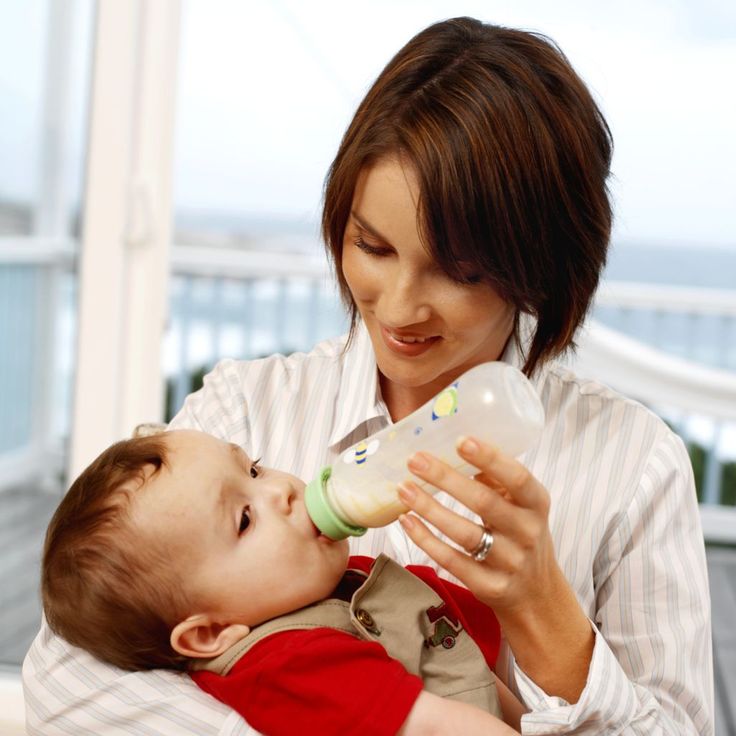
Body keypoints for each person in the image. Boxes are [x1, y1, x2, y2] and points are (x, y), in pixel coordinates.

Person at [24, 16, 713, 736]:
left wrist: (546, 616)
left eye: (460, 271)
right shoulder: (247, 411)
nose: (401, 305)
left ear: (540, 267)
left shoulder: (632, 467)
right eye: (372, 246)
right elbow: (67, 677)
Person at [41, 429, 523, 736]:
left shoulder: (334, 587)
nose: (281, 489)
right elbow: (438, 728)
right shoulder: (289, 665)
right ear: (210, 632)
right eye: (245, 519)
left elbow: (475, 674)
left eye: (253, 467)